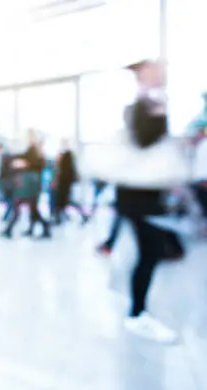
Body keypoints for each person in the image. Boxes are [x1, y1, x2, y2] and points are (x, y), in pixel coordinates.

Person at [116, 60, 182, 343]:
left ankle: (136, 309)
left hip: (146, 194)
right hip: (138, 196)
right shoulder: (141, 106)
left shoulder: (146, 105)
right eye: (154, 71)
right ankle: (136, 313)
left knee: (150, 251)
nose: (160, 75)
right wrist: (159, 111)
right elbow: (145, 141)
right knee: (150, 250)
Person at [2, 130, 51, 238]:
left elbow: (33, 163)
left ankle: (9, 230)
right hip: (31, 184)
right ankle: (37, 228)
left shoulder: (34, 151)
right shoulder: (33, 151)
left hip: (29, 185)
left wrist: (24, 164)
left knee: (22, 206)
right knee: (32, 209)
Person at [50, 139, 88, 225]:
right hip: (64, 182)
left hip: (64, 183)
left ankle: (81, 215)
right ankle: (59, 218)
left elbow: (63, 169)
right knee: (64, 201)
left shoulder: (67, 155)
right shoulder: (66, 155)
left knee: (66, 201)